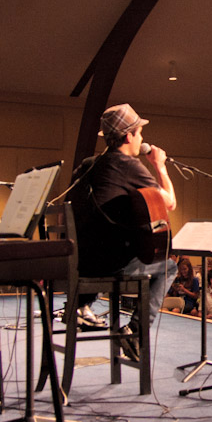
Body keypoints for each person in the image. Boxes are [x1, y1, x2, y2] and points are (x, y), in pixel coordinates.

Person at [67, 103, 178, 329]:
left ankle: (81, 305)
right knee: (169, 267)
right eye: (140, 133)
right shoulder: (127, 165)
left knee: (104, 240)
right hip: (108, 266)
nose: (142, 138)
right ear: (129, 136)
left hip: (79, 262)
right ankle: (135, 331)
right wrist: (160, 166)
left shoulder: (87, 165)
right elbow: (169, 203)